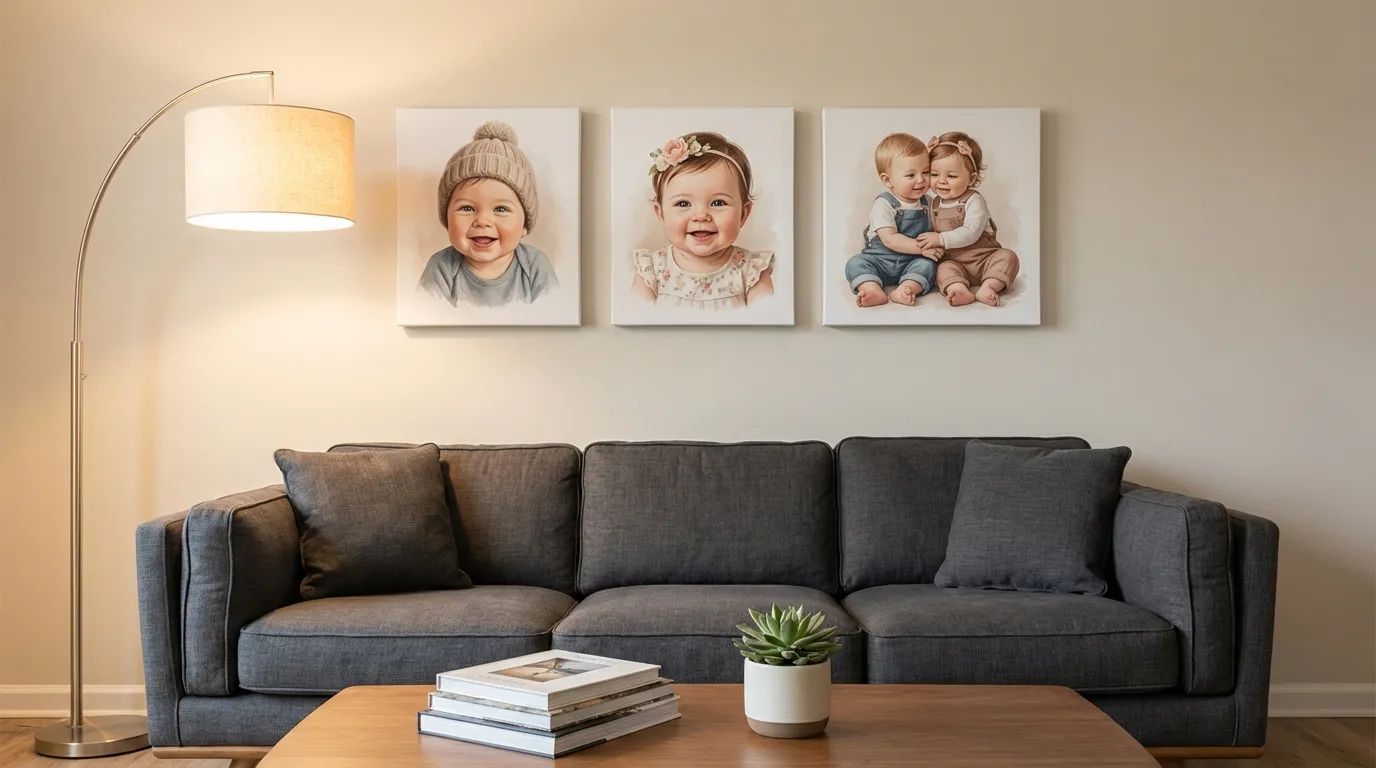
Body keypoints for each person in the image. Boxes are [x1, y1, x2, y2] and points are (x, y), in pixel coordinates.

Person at [418, 121, 558, 307]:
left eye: (501, 209)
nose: (483, 221)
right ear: (447, 219)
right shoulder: (441, 267)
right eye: (467, 208)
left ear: (524, 224)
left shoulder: (535, 265)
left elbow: (554, 310)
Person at [631, 132, 774, 310]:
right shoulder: (651, 270)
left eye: (718, 202)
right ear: (661, 214)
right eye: (683, 203)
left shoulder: (752, 272)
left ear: (743, 215)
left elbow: (767, 322)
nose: (701, 215)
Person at [916, 132, 1019, 307]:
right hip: (954, 262)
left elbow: (971, 232)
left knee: (1008, 257)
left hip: (985, 259)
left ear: (971, 179)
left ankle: (988, 286)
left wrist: (940, 239)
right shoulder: (933, 203)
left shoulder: (974, 201)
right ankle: (958, 288)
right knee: (943, 268)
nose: (942, 181)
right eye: (934, 174)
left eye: (952, 176)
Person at [844, 132, 944, 307]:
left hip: (911, 262)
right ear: (888, 180)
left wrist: (936, 245)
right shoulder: (884, 204)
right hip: (879, 260)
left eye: (926, 172)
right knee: (856, 263)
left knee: (928, 266)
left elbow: (937, 229)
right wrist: (921, 249)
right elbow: (889, 239)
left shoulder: (928, 203)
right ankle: (871, 287)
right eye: (910, 175)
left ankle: (906, 288)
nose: (921, 180)